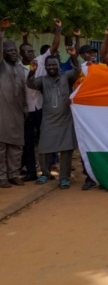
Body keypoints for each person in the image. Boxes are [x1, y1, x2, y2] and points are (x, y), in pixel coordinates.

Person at [26, 47, 80, 188]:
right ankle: (45, 174)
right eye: (48, 65)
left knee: (67, 150)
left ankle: (64, 178)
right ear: (45, 66)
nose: (51, 67)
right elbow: (30, 84)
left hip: (65, 119)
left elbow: (77, 71)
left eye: (54, 65)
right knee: (44, 148)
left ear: (59, 66)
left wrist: (74, 56)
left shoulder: (66, 76)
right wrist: (31, 72)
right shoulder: (42, 80)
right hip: (49, 119)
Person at [18, 19, 63, 180]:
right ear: (21, 54)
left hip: (41, 107)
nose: (31, 54)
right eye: (28, 52)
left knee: (46, 137)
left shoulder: (40, 61)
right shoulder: (17, 68)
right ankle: (31, 171)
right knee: (27, 142)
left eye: (32, 51)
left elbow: (54, 47)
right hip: (25, 110)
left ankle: (50, 166)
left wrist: (58, 29)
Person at [0, 18, 28, 188]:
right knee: (1, 148)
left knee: (16, 147)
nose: (13, 53)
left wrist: (25, 107)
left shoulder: (19, 68)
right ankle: (2, 177)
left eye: (14, 50)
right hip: (2, 113)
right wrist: (1, 32)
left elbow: (24, 91)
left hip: (18, 113)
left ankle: (14, 174)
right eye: (9, 50)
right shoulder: (1, 67)